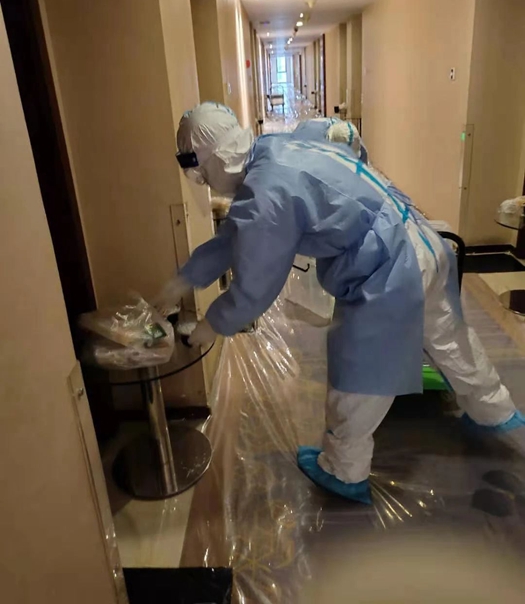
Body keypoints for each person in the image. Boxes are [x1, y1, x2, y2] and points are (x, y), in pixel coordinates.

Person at [155, 102, 522, 504]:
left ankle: (343, 470)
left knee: (359, 376)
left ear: (216, 160)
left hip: (387, 271)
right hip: (422, 242)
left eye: (202, 172)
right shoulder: (276, 149)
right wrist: (184, 280)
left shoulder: (265, 193)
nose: (204, 182)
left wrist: (209, 326)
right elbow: (236, 236)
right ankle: (496, 412)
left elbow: (254, 286)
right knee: (451, 341)